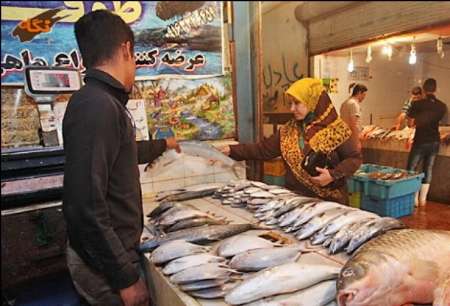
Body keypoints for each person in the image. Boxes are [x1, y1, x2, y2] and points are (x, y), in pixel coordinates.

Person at [63, 10, 180, 306]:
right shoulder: (97, 106)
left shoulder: (100, 101)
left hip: (105, 256)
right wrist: (125, 278)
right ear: (126, 49)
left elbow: (121, 154)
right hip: (103, 267)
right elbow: (84, 205)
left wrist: (163, 144)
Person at [221, 78, 362, 204]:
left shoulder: (338, 129)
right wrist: (231, 150)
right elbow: (262, 150)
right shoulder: (288, 130)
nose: (291, 108)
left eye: (297, 103)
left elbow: (354, 159)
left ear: (312, 101)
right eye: (291, 103)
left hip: (330, 205)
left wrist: (332, 175)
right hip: (297, 203)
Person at [406, 78, 447, 207]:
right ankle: (423, 200)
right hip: (434, 141)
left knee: (412, 169)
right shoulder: (442, 106)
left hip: (420, 140)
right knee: (427, 169)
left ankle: (414, 200)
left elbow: (410, 121)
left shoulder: (417, 104)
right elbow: (443, 122)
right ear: (435, 89)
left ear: (423, 90)